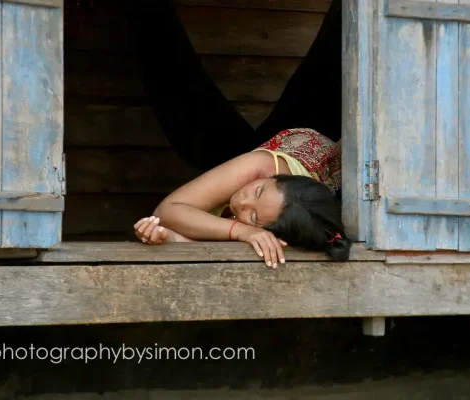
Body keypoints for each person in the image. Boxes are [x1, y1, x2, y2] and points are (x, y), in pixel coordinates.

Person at [127, 0, 349, 266]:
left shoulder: (291, 223)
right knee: (186, 103)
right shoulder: (261, 168)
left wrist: (172, 239)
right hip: (299, 129)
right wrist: (243, 229)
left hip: (302, 169)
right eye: (256, 192)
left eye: (254, 218)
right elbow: (166, 211)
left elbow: (183, 232)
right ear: (269, 179)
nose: (242, 202)